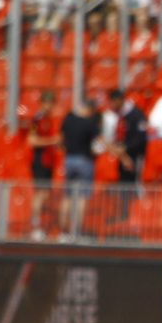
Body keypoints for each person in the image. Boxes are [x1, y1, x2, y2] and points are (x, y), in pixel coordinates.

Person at [60, 94, 102, 239]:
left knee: (68, 196)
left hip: (69, 159)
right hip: (84, 160)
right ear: (90, 110)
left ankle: (64, 232)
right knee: (82, 197)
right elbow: (101, 140)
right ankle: (77, 232)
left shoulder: (69, 118)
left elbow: (62, 139)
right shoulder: (89, 123)